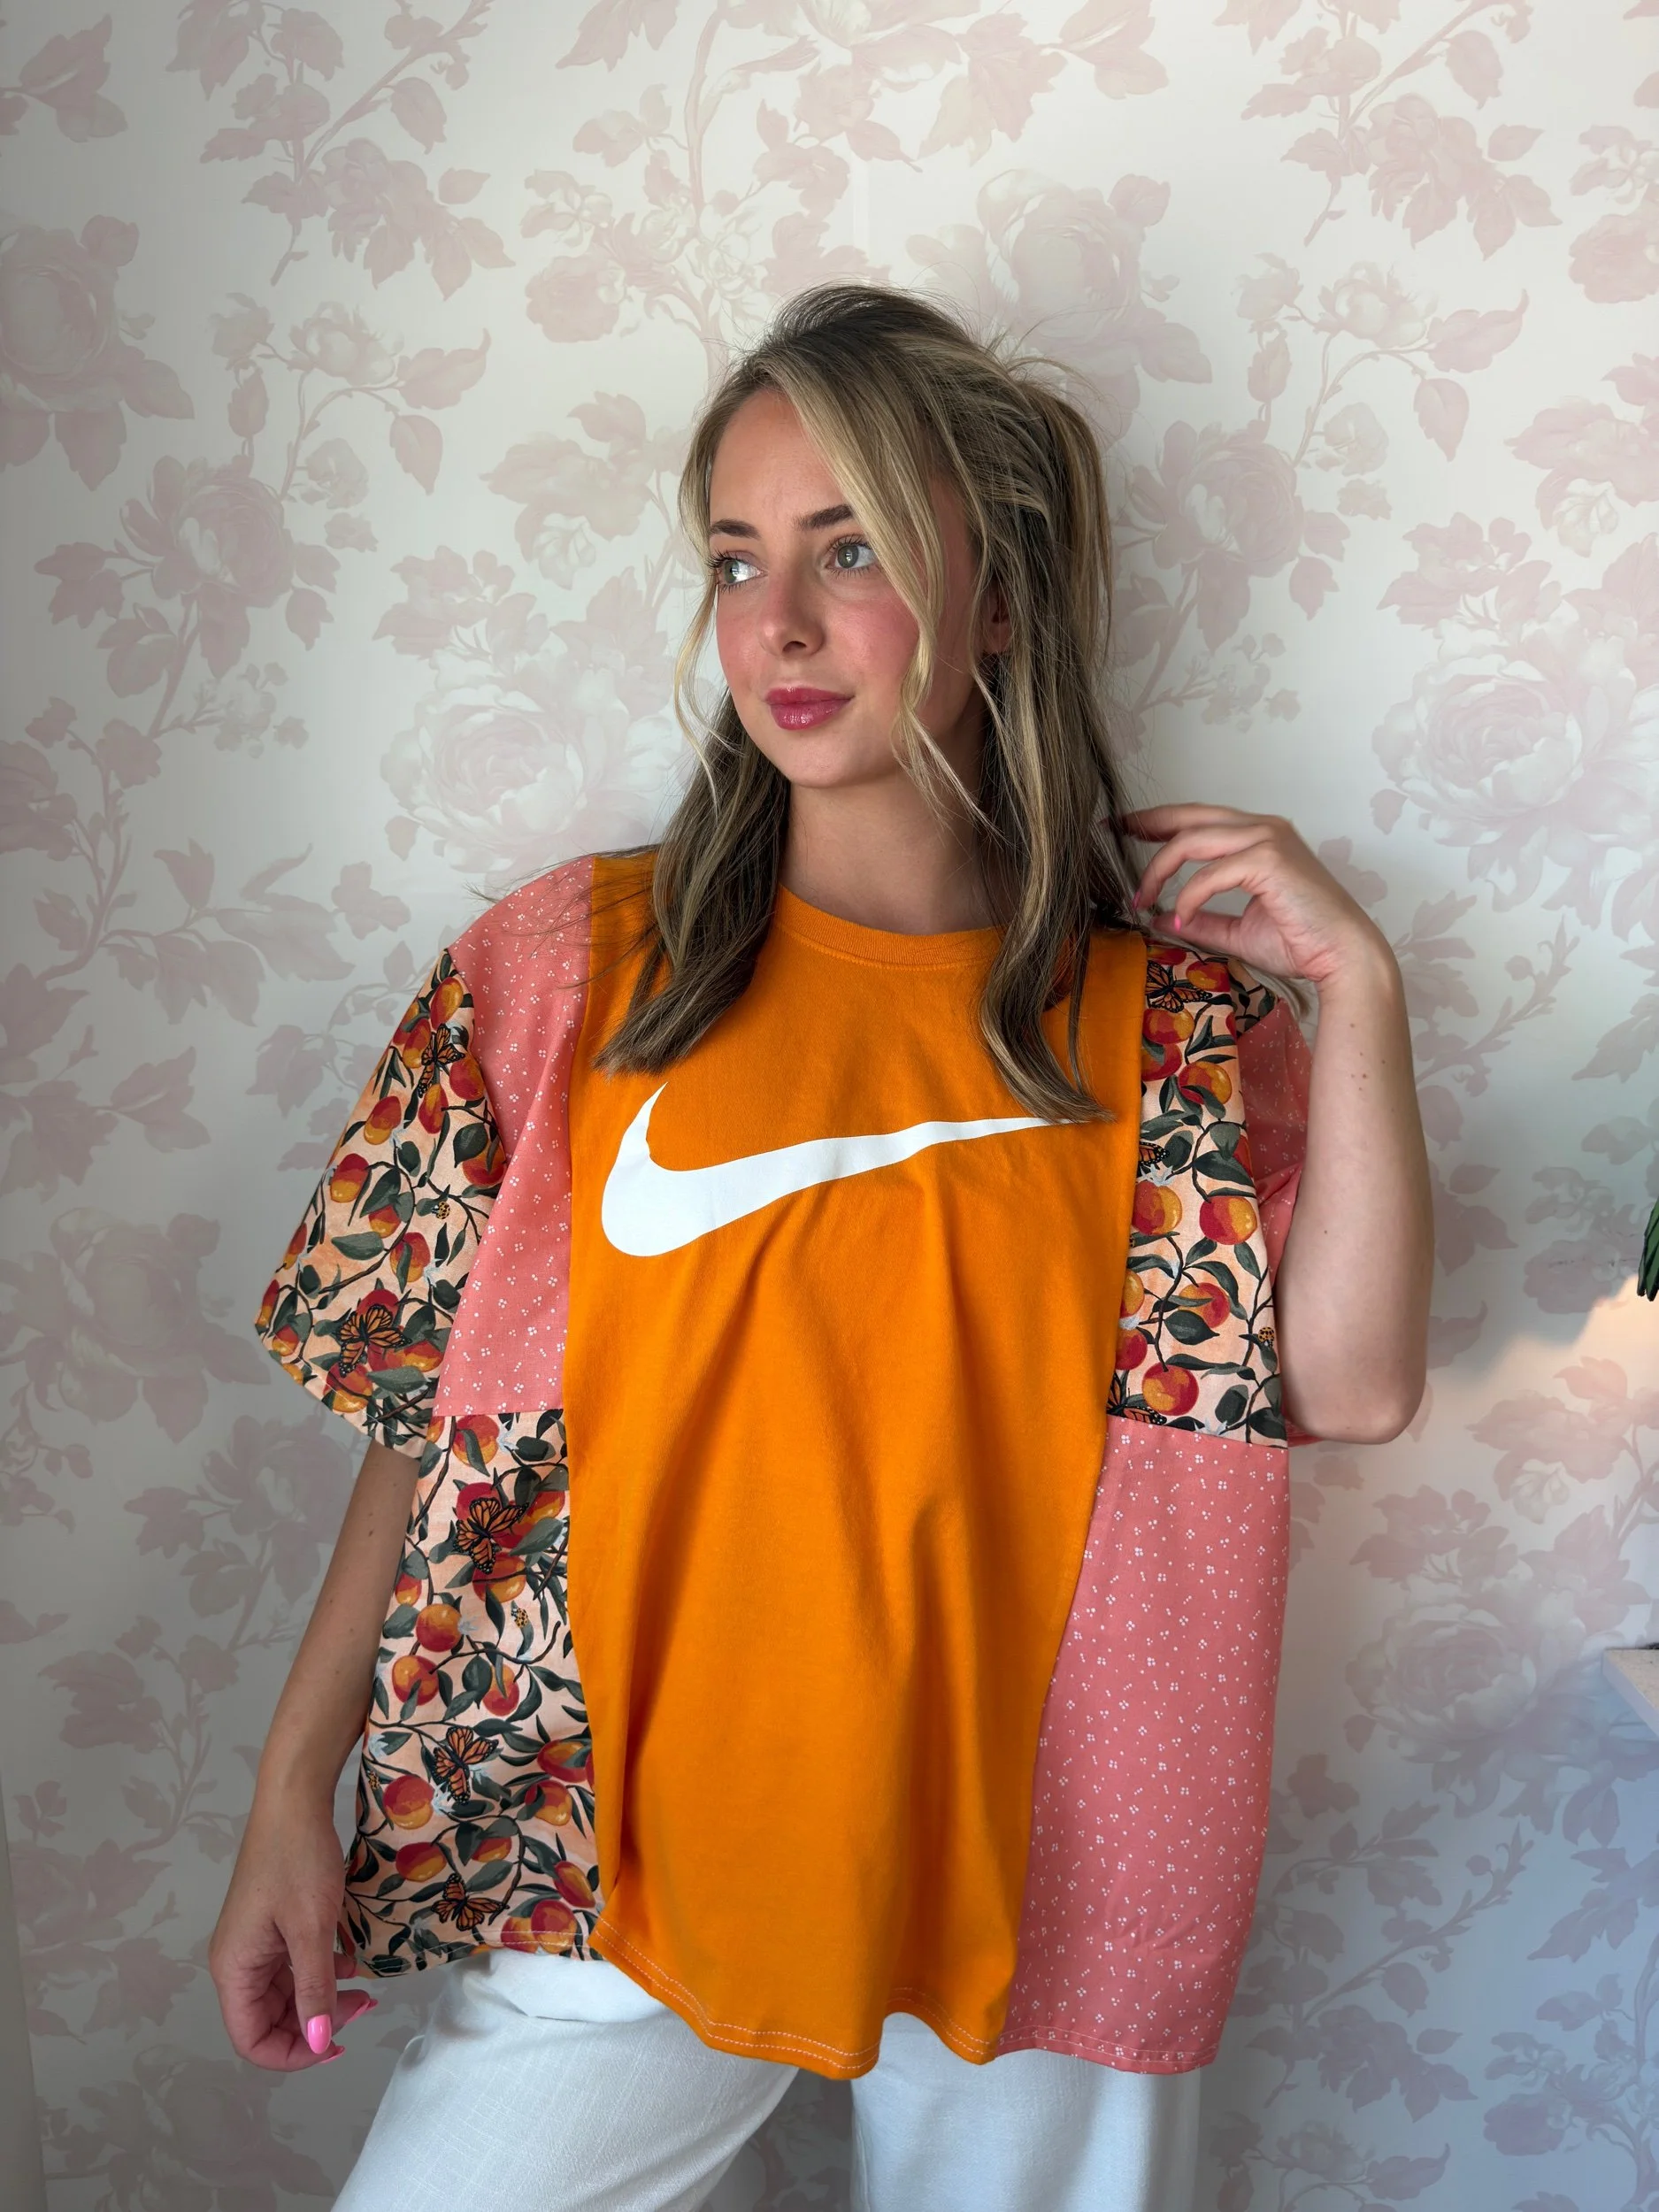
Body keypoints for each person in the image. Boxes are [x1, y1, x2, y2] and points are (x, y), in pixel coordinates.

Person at [211, 284, 1432, 2212]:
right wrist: (295, 1791)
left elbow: (1346, 1385)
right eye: (735, 558)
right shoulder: (567, 974)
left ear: (997, 599)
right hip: (620, 1855)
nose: (775, 621)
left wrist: (1355, 987)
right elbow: (419, 1408)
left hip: (1041, 1865)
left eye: (848, 549)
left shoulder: (1160, 1031)